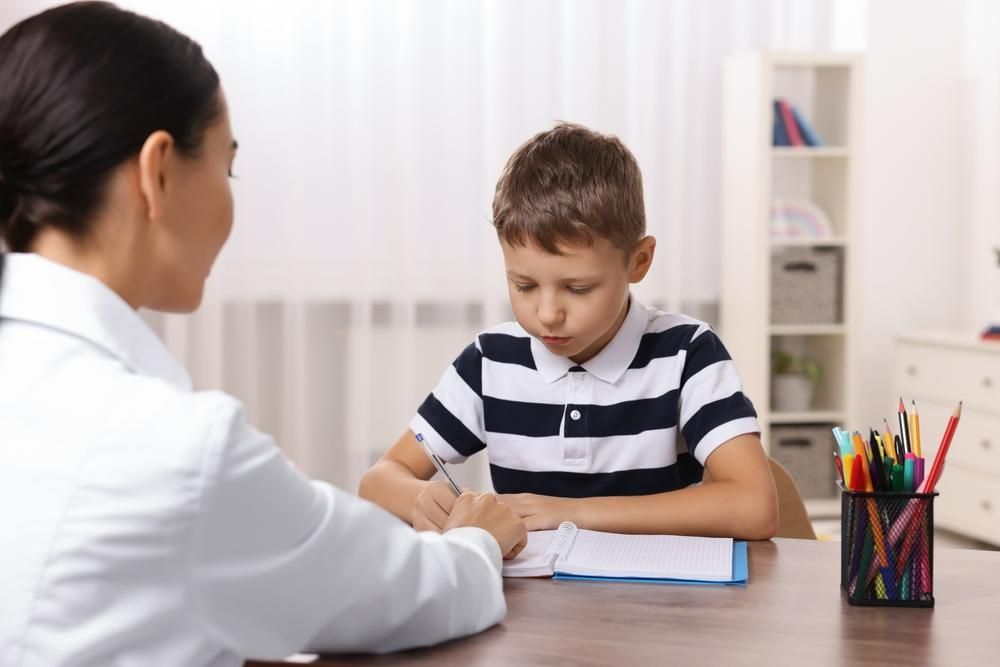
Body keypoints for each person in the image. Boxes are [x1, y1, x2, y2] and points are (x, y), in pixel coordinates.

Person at [0, 3, 526, 665]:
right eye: (228, 167)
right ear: (157, 171)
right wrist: (477, 540)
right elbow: (405, 592)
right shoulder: (175, 449)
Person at [360, 123, 779, 539]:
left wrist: (570, 513)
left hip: (657, 601)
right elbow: (379, 480)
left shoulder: (687, 353)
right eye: (524, 286)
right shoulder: (491, 361)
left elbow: (753, 506)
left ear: (639, 261)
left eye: (577, 288)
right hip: (533, 601)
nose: (547, 314)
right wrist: (418, 498)